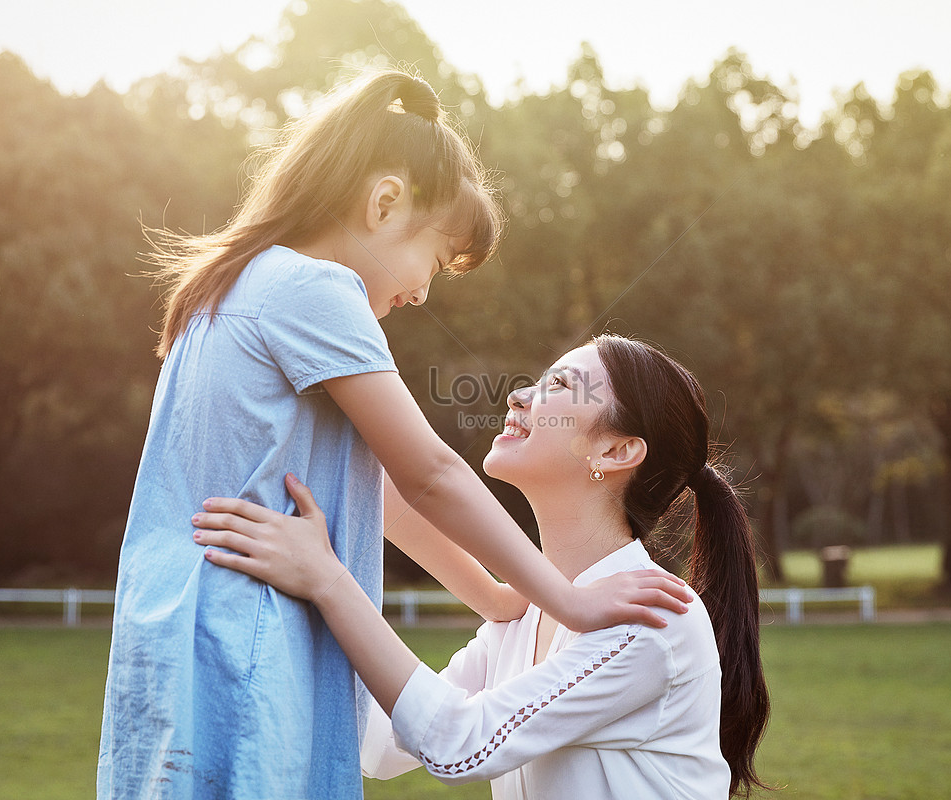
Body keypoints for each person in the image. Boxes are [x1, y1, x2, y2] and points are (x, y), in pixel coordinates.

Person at [97, 71, 691, 800]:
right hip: (244, 637)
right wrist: (566, 603)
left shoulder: (233, 287)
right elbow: (429, 475)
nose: (422, 294)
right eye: (436, 262)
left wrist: (497, 596)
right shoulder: (315, 290)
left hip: (177, 637)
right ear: (383, 204)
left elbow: (377, 486)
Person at [193, 334, 773, 799]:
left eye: (560, 386)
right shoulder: (519, 617)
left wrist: (326, 580)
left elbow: (458, 744)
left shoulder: (653, 618)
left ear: (615, 452)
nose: (520, 395)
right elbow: (381, 747)